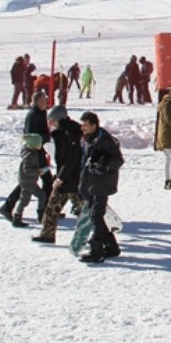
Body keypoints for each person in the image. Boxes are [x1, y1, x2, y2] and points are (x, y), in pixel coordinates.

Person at [32, 104, 85, 244]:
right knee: (59, 207)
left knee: (55, 207)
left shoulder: (69, 133)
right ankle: (47, 234)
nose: (50, 123)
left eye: (52, 120)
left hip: (70, 178)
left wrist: (61, 177)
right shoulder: (66, 131)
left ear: (58, 119)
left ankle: (48, 234)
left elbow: (71, 159)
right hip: (70, 178)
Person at [78, 111, 124, 263]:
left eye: (85, 125)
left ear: (94, 125)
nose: (83, 128)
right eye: (82, 125)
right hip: (91, 183)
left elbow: (118, 160)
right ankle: (111, 246)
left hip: (102, 183)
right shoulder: (87, 138)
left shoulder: (104, 139)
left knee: (96, 216)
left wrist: (104, 166)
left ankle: (96, 250)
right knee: (95, 216)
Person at [0, 91, 51, 223]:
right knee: (37, 180)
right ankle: (44, 210)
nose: (46, 101)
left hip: (39, 149)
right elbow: (30, 135)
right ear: (38, 101)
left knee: (30, 182)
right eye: (44, 99)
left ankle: (8, 206)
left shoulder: (41, 113)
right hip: (34, 151)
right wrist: (42, 139)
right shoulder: (33, 115)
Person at [13, 134, 51, 228]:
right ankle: (16, 218)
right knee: (24, 200)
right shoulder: (29, 155)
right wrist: (38, 172)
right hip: (27, 181)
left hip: (32, 181)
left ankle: (41, 215)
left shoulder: (32, 153)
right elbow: (27, 170)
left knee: (42, 195)